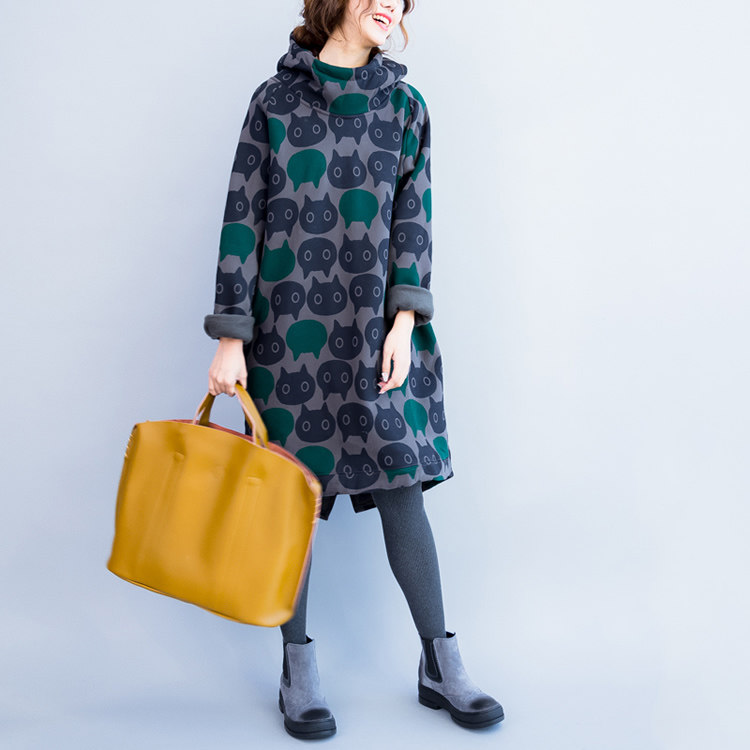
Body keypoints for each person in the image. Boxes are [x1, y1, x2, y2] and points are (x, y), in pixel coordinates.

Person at [204, 0, 504, 739]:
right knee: (292, 502)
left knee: (400, 486)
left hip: (377, 335)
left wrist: (405, 322)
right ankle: (297, 669)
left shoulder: (405, 106)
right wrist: (231, 336)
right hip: (286, 332)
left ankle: (440, 663)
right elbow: (243, 217)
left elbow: (413, 217)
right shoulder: (274, 102)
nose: (390, 5)